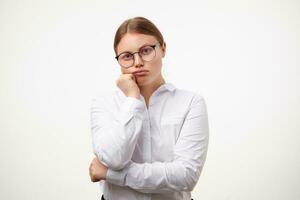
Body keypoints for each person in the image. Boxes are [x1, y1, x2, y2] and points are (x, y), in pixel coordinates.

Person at [89, 16, 209, 200]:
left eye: (146, 51)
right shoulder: (103, 104)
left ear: (163, 48)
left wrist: (112, 174)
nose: (137, 62)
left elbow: (186, 176)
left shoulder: (191, 103)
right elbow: (113, 158)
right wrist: (132, 99)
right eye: (127, 56)